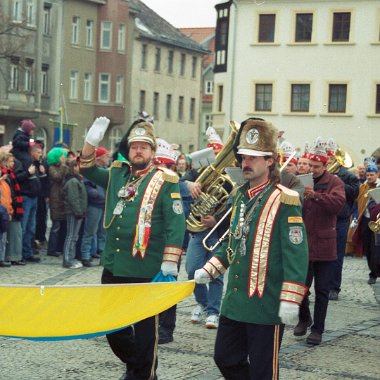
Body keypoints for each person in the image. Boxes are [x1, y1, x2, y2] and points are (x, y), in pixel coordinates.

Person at [194, 118, 309, 380]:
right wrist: (210, 268)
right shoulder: (241, 195)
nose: (246, 162)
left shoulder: (285, 199)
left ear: (270, 160)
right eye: (244, 156)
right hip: (235, 301)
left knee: (262, 372)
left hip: (265, 304)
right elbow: (234, 242)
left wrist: (290, 298)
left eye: (254, 157)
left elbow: (296, 253)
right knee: (225, 358)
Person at [80, 117, 185, 380]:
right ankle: (140, 367)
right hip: (115, 264)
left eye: (144, 147)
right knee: (112, 326)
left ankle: (142, 374)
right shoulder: (118, 175)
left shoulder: (165, 180)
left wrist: (170, 260)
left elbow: (176, 222)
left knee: (146, 328)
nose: (138, 151)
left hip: (145, 266)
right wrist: (91, 141)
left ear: (152, 152)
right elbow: (87, 168)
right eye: (134, 146)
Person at [294, 137, 345, 345]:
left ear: (325, 165)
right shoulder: (299, 179)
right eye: (310, 166)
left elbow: (338, 204)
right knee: (299, 288)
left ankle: (318, 329)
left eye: (316, 166)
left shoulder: (335, 182)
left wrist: (314, 195)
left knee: (322, 290)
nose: (312, 170)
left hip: (324, 245)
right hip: (302, 243)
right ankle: (304, 318)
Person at [184, 126, 227, 329]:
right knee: (192, 270)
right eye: (213, 154)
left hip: (217, 232)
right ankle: (201, 303)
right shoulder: (195, 172)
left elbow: (232, 206)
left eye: (219, 154)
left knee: (216, 273)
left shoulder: (229, 178)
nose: (216, 159)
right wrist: (188, 184)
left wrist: (216, 219)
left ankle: (213, 311)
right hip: (197, 230)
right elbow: (177, 182)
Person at [326, 139, 360, 301]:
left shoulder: (348, 175)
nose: (330, 158)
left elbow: (354, 193)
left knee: (336, 255)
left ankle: (334, 287)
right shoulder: (323, 172)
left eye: (332, 155)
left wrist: (338, 182)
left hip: (340, 219)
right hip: (324, 217)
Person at [13, 143, 45, 263]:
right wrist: (28, 172)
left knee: (31, 228)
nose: (40, 155)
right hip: (26, 197)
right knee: (24, 227)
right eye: (38, 152)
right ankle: (19, 254)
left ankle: (28, 253)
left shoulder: (36, 164)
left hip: (34, 197)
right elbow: (17, 177)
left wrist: (41, 173)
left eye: (41, 153)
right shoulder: (24, 162)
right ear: (32, 153)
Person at [80, 147, 110, 266]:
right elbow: (86, 187)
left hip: (103, 205)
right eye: (106, 156)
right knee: (90, 232)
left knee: (103, 233)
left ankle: (102, 254)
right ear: (100, 158)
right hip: (94, 205)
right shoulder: (93, 172)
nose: (108, 158)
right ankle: (85, 255)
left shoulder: (106, 171)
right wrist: (97, 194)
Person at [351, 164, 380, 283]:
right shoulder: (363, 187)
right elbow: (358, 203)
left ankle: (375, 272)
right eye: (367, 175)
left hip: (377, 220)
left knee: (376, 248)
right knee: (367, 247)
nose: (369, 177)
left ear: (377, 174)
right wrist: (355, 217)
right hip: (365, 220)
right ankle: (372, 272)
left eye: (371, 175)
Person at [62, 159, 87, 269]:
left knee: (74, 236)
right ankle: (67, 260)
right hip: (73, 212)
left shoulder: (78, 179)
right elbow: (74, 198)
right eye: (76, 166)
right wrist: (78, 211)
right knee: (71, 236)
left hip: (78, 211)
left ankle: (71, 258)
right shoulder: (72, 181)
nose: (79, 168)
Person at [1, 150, 25, 265]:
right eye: (10, 161)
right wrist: (12, 207)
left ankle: (13, 256)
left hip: (12, 207)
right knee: (11, 234)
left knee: (15, 233)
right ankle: (10, 256)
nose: (13, 164)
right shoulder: (5, 176)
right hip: (9, 208)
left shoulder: (10, 175)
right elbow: (7, 194)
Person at [46, 147, 68, 257]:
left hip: (63, 199)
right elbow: (57, 177)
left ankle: (60, 247)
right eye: (62, 155)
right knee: (56, 226)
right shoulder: (52, 168)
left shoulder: (65, 167)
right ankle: (52, 249)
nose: (64, 157)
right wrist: (63, 166)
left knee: (63, 226)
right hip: (56, 199)